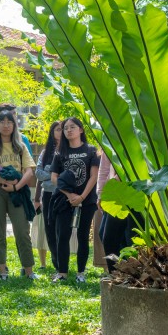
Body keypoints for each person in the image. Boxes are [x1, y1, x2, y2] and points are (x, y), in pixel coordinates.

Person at [0, 109, 38, 280]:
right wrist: (4, 181)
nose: (5, 126)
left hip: (18, 192)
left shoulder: (21, 147)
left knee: (22, 231)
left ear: (14, 125)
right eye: (2, 122)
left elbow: (29, 171)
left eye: (9, 122)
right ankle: (2, 272)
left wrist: (16, 186)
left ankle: (29, 271)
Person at [49, 117, 99, 283]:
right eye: (65, 128)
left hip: (87, 199)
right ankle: (62, 273)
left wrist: (82, 197)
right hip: (64, 200)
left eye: (72, 127)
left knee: (83, 235)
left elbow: (94, 176)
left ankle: (81, 273)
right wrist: (70, 195)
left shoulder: (91, 150)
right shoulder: (59, 152)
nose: (68, 130)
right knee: (63, 234)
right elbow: (54, 176)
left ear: (81, 130)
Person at [33, 121, 62, 270]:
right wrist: (54, 175)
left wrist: (50, 174)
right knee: (49, 230)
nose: (61, 131)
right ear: (52, 132)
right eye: (58, 129)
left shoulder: (69, 151)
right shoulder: (45, 153)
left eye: (63, 129)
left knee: (61, 230)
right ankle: (56, 264)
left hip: (63, 195)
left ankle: (62, 265)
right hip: (48, 195)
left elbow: (68, 176)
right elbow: (38, 173)